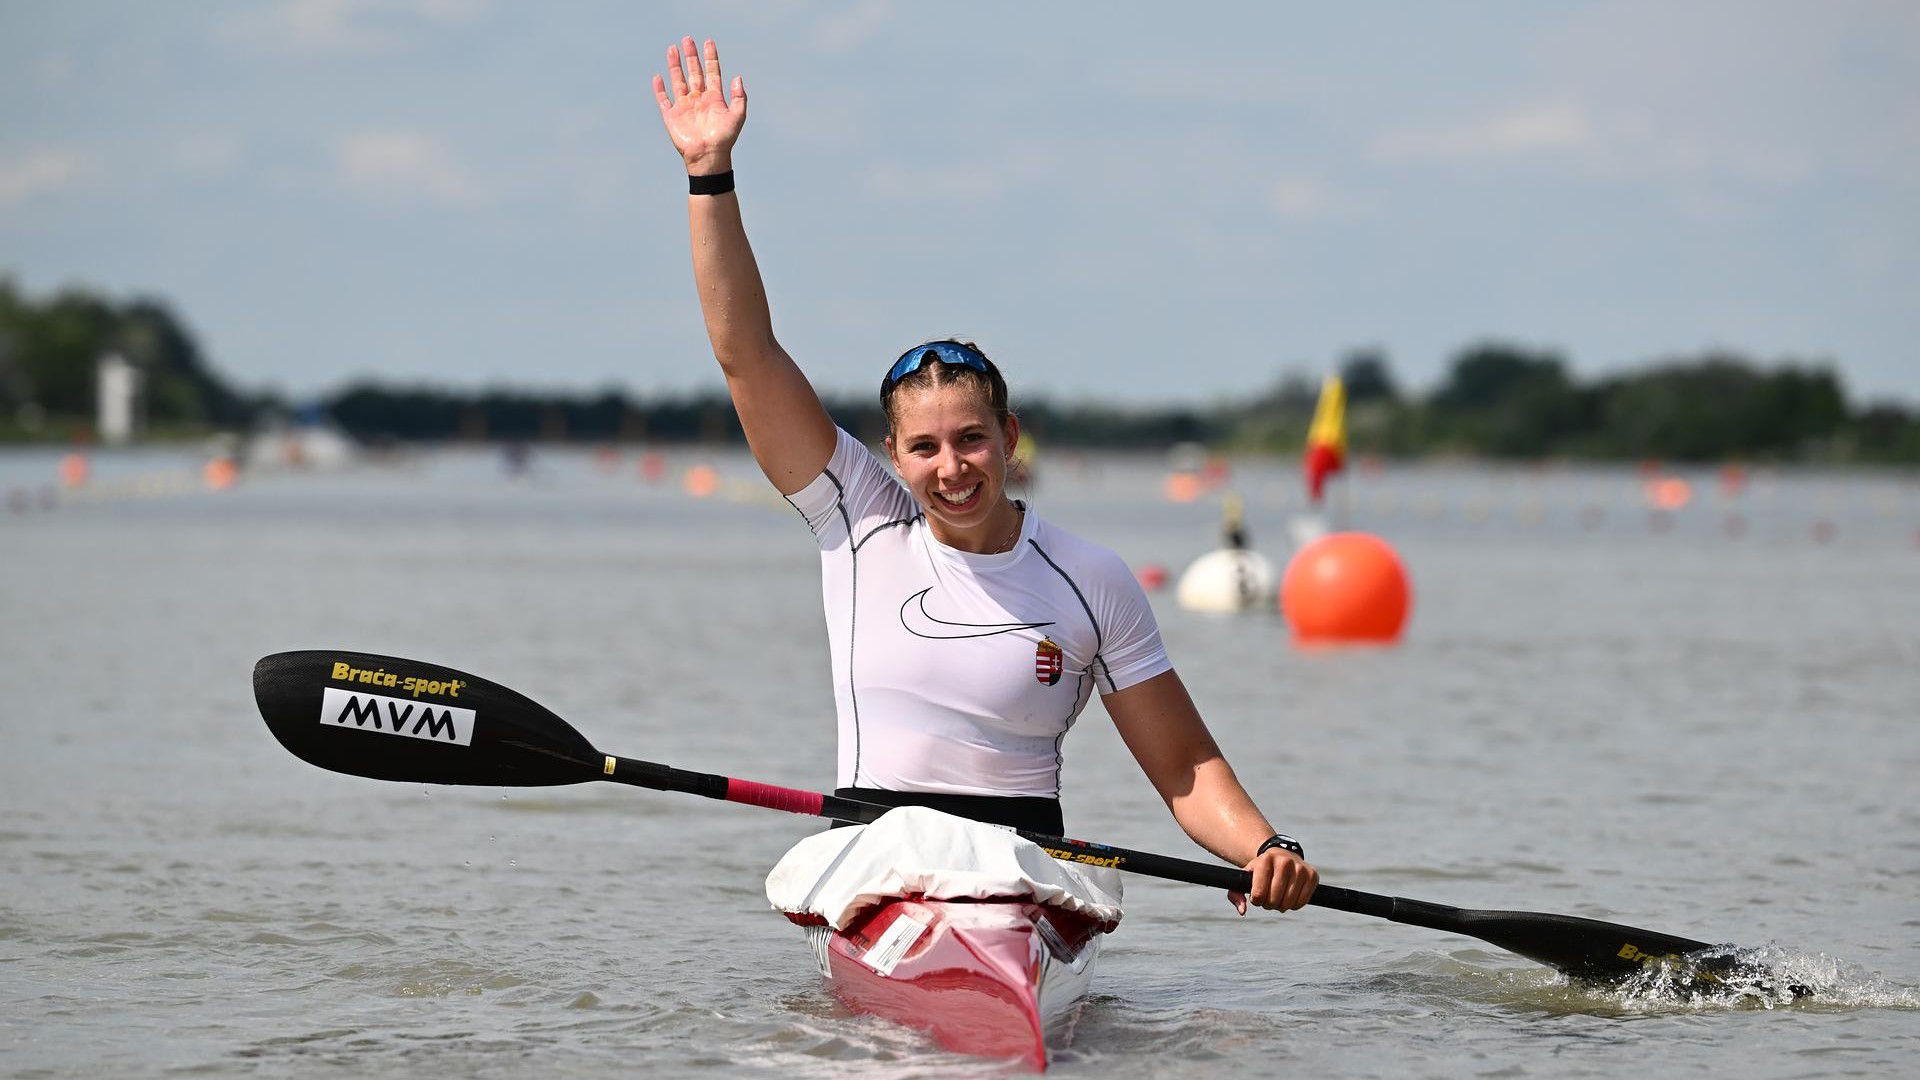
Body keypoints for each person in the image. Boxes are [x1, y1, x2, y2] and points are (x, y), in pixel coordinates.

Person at [653, 37, 1317, 914]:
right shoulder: (857, 516)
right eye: (924, 448)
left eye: (971, 439)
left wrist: (1265, 848)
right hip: (875, 866)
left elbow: (1187, 769)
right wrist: (710, 176)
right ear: (894, 458)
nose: (951, 467)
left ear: (1009, 438)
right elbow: (746, 355)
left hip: (1021, 876)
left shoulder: (1091, 579)